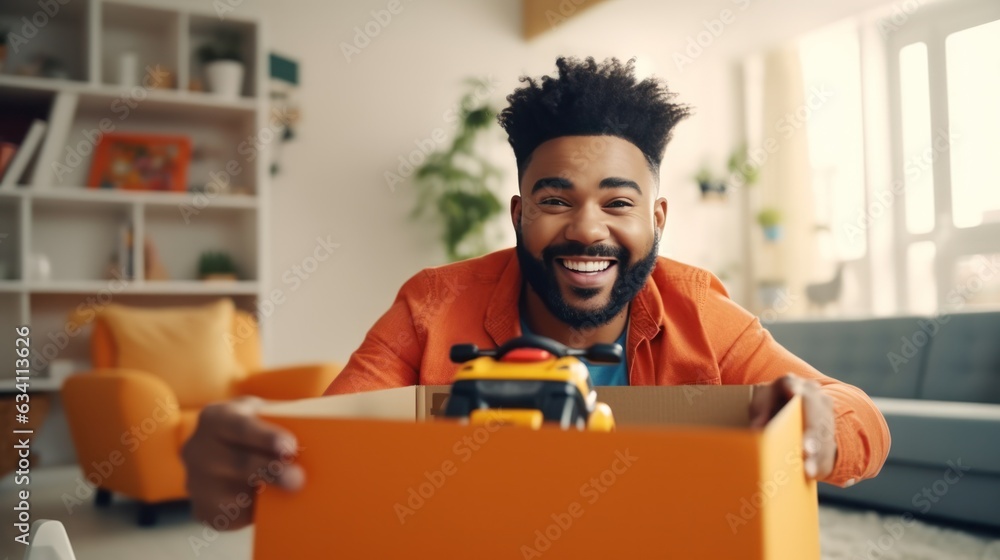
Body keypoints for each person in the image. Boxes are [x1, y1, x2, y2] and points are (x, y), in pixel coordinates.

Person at [182, 57, 890, 530]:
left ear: (657, 219)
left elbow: (864, 423)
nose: (588, 230)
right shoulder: (431, 307)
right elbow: (326, 451)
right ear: (518, 214)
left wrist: (820, 420)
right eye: (557, 200)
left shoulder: (700, 310)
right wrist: (236, 473)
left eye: (618, 204)